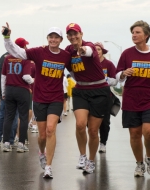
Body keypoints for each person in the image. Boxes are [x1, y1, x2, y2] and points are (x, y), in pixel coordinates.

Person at [2, 23, 71, 179]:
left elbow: (78, 67)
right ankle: (41, 152)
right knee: (41, 136)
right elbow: (16, 51)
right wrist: (7, 37)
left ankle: (49, 166)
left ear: (61, 39)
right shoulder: (39, 52)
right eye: (51, 37)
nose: (53, 39)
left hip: (56, 98)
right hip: (40, 98)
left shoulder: (65, 56)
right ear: (47, 38)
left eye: (56, 37)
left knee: (50, 129)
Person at [65, 23, 110, 174]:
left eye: (75, 33)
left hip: (99, 90)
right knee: (80, 124)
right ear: (67, 37)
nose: (73, 37)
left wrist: (82, 49)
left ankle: (91, 161)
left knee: (92, 130)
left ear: (81, 34)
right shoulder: (68, 51)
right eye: (70, 34)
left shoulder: (89, 46)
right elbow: (68, 68)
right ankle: (82, 156)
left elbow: (88, 51)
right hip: (81, 90)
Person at [116, 20, 150, 177]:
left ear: (146, 35)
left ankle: (149, 158)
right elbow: (117, 76)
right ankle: (140, 164)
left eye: (137, 32)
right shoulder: (127, 54)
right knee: (135, 134)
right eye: (133, 33)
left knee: (148, 131)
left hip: (148, 98)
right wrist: (123, 74)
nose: (134, 35)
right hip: (131, 99)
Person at [2, 37, 34, 153]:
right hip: (22, 90)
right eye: (25, 45)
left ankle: (6, 143)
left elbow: (3, 76)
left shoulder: (7, 58)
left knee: (8, 117)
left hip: (10, 89)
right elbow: (26, 76)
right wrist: (34, 82)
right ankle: (21, 143)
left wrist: (4, 92)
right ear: (22, 47)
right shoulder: (25, 58)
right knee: (23, 117)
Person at [94, 42, 117, 153]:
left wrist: (104, 81)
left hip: (105, 96)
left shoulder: (109, 64)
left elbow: (115, 80)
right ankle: (94, 140)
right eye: (95, 49)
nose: (97, 51)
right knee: (91, 122)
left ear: (102, 51)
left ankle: (103, 142)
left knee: (104, 122)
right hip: (91, 96)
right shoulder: (90, 63)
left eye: (99, 49)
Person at [0, 52, 19, 148]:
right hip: (14, 90)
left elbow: (2, 76)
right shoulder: (17, 57)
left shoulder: (2, 57)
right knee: (14, 115)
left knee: (2, 115)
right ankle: (10, 139)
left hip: (3, 89)